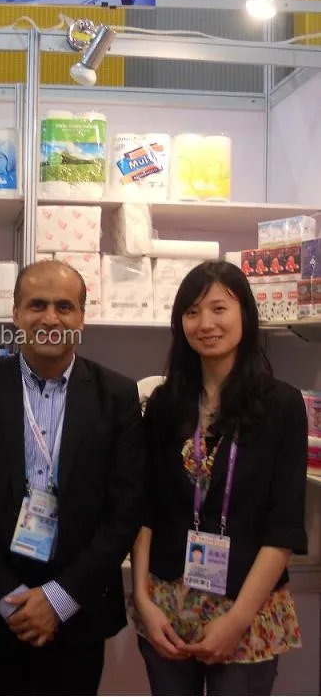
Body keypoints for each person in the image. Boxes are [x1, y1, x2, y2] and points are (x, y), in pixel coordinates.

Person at [0, 260, 146, 696]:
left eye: (64, 306)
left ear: (82, 317)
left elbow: (124, 511)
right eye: (37, 305)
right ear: (16, 313)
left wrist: (58, 600)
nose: (50, 318)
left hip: (78, 613)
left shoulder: (116, 396)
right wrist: (9, 598)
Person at [130, 260, 308, 696]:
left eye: (219, 308)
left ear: (245, 313)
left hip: (247, 607)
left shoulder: (282, 405)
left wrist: (238, 619)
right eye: (192, 312)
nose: (205, 323)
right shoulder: (164, 403)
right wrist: (142, 599)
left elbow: (283, 525)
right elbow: (144, 508)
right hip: (167, 603)